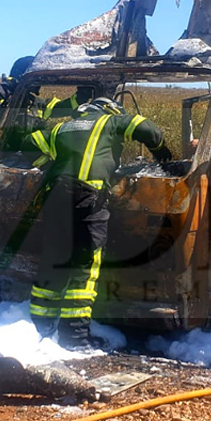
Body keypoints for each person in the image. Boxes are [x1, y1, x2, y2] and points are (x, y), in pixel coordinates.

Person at [24, 97, 173, 347]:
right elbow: (149, 130)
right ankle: (75, 338)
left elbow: (29, 143)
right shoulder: (110, 121)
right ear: (110, 110)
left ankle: (40, 330)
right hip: (86, 198)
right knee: (85, 265)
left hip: (55, 196)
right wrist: (163, 156)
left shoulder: (62, 127)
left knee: (54, 259)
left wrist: (44, 156)